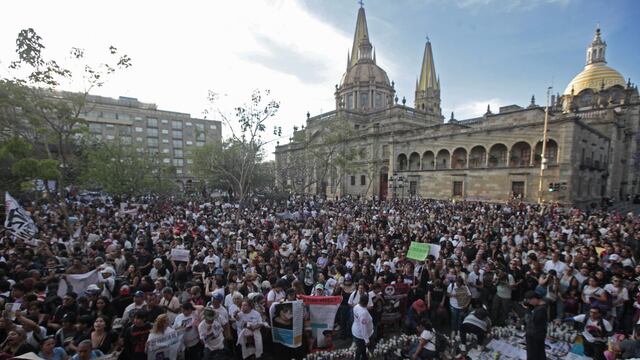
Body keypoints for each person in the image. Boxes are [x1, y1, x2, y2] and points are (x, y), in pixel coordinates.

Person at [524, 291, 547, 360]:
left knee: (533, 353)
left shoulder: (540, 310)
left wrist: (528, 311)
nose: (529, 302)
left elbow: (531, 321)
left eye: (530, 300)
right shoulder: (539, 306)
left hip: (534, 335)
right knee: (540, 351)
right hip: (539, 333)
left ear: (535, 298)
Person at [352, 293, 373, 360]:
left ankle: (364, 358)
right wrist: (366, 340)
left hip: (355, 329)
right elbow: (363, 328)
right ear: (366, 303)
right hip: (360, 335)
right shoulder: (363, 313)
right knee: (360, 349)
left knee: (362, 349)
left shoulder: (356, 306)